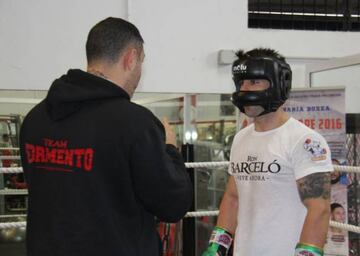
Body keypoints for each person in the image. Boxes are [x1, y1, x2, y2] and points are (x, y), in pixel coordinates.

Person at [19, 17, 193, 256]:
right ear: (131, 58)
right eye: (141, 61)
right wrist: (171, 151)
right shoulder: (136, 123)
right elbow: (173, 205)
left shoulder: (35, 119)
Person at [202, 48, 332, 256]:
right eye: (241, 83)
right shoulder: (241, 138)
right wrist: (217, 246)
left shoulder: (304, 140)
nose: (245, 89)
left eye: (254, 82)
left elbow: (320, 208)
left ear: (278, 83)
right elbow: (233, 196)